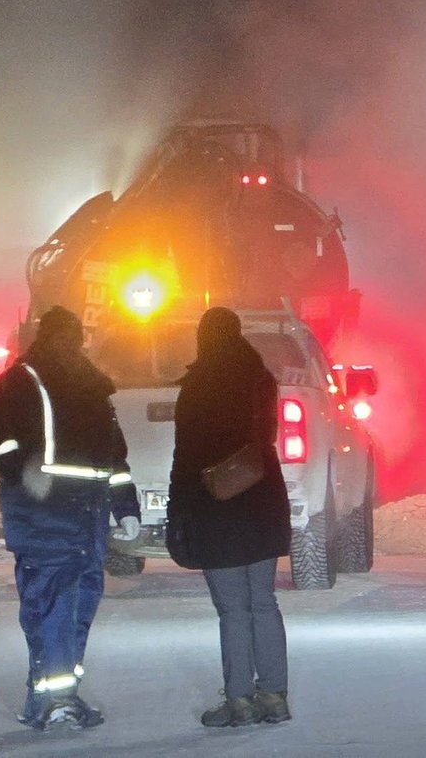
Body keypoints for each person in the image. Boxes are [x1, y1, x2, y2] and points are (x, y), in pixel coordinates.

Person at [0, 306, 140, 731]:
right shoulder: (23, 383)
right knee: (54, 605)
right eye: (68, 336)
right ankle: (56, 699)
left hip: (79, 515)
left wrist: (125, 506)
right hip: (50, 517)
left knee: (72, 607)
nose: (73, 344)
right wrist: (22, 473)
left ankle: (53, 695)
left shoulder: (87, 387)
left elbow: (114, 456)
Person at [167, 306, 292, 727]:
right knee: (263, 602)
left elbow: (185, 458)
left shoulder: (198, 385)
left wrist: (177, 512)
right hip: (262, 502)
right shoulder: (261, 380)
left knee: (233, 610)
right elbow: (267, 438)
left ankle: (239, 699)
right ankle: (274, 696)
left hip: (215, 508)